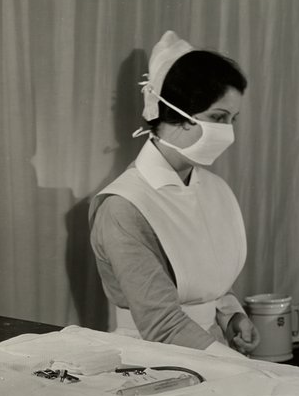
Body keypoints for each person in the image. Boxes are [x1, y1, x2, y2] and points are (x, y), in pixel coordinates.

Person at [89, 30, 259, 356]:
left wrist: (231, 315)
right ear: (177, 113)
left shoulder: (213, 188)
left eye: (233, 119)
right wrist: (247, 370)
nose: (229, 132)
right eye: (218, 118)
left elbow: (200, 273)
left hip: (211, 350)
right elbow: (162, 324)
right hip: (152, 360)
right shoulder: (124, 207)